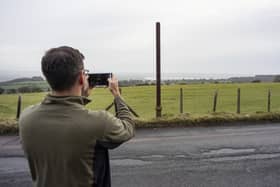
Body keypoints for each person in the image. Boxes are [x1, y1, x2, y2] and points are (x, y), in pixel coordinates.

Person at [19, 46, 135, 187]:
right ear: (81, 77)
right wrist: (117, 94)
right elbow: (127, 128)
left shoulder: (26, 118)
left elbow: (67, 117)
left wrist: (81, 95)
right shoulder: (99, 122)